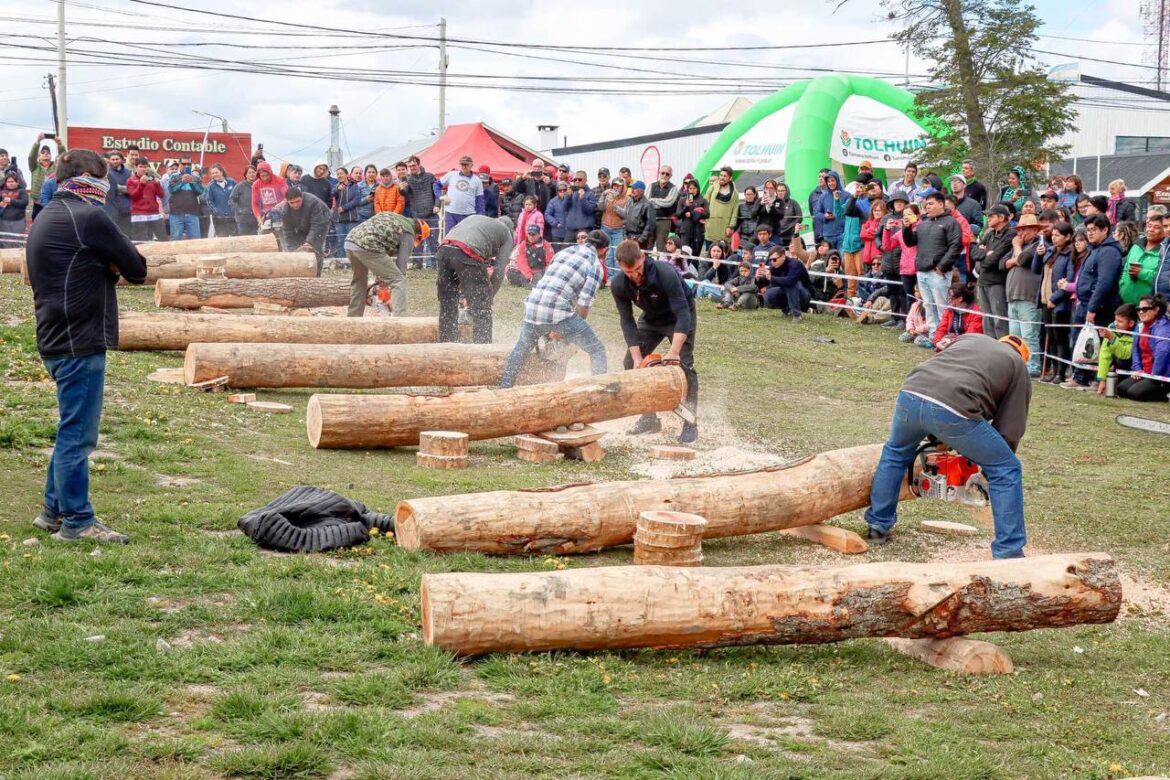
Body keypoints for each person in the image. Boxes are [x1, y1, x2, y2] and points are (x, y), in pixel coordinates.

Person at [26, 149, 149, 544]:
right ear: (91, 177)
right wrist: (110, 267)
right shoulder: (88, 215)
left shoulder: (47, 214)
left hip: (55, 336)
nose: (107, 186)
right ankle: (78, 521)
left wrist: (101, 267)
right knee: (78, 435)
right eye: (104, 178)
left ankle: (52, 511)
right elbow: (138, 268)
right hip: (79, 339)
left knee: (69, 429)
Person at [865, 334, 1033, 559]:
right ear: (1023, 357)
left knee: (895, 454)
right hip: (954, 406)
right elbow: (1010, 427)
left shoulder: (972, 338)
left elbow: (945, 373)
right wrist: (988, 467)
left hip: (911, 392)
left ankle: (877, 525)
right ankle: (1009, 550)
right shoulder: (1018, 367)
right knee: (1006, 468)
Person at [610, 239, 699, 443]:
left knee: (685, 367)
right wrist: (636, 358)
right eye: (629, 272)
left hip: (679, 315)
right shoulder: (619, 285)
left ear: (643, 258)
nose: (635, 275)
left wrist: (674, 352)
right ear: (621, 266)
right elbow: (627, 320)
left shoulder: (665, 272)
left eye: (638, 269)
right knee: (630, 364)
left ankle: (690, 424)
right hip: (651, 318)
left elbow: (683, 313)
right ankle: (649, 419)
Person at [500, 232, 611, 389]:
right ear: (605, 250)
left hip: (532, 304)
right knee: (596, 349)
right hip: (557, 310)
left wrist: (561, 330)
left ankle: (505, 387)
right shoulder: (595, 265)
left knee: (521, 349)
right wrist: (564, 330)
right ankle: (600, 391)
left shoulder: (565, 252)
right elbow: (584, 304)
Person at [435, 214, 515, 343]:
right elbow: (499, 273)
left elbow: (461, 267)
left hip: (444, 250)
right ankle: (483, 347)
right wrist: (487, 298)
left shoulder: (481, 222)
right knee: (482, 308)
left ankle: (447, 342)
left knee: (448, 302)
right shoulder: (506, 234)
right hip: (466, 251)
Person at [345, 212, 426, 318]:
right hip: (368, 245)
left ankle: (353, 319)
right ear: (418, 235)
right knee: (399, 280)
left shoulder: (395, 219)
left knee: (359, 281)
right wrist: (390, 279)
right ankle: (401, 320)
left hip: (350, 241)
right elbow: (401, 267)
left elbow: (381, 240)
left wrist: (381, 275)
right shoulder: (409, 232)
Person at [903, 191, 961, 337]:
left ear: (941, 204)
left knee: (941, 307)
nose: (927, 206)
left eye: (931, 203)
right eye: (926, 204)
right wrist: (907, 227)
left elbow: (956, 246)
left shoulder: (951, 222)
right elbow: (910, 242)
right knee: (928, 306)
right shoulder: (923, 223)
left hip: (938, 272)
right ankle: (933, 335)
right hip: (922, 271)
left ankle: (945, 336)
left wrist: (942, 266)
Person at [1004, 213, 1045, 377]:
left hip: (1029, 296)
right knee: (1015, 335)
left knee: (1029, 334)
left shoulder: (1038, 245)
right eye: (1019, 230)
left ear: (1035, 229)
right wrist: (1016, 257)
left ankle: (1033, 366)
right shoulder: (1018, 247)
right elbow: (1003, 263)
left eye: (1024, 230)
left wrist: (1016, 248)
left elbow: (1022, 259)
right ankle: (1018, 365)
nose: (1020, 234)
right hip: (1013, 296)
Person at [1037, 221, 1077, 384]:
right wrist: (1038, 255)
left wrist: (1055, 298)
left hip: (1060, 303)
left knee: (1060, 338)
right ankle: (1053, 370)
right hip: (1045, 300)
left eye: (1058, 235)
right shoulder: (1050, 251)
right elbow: (1036, 269)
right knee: (1050, 337)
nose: (1054, 238)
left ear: (1067, 237)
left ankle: (1061, 372)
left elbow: (1069, 279)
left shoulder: (1070, 255)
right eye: (1052, 235)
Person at [1116, 294, 1170, 401]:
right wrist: (1137, 369)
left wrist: (1154, 376)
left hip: (1160, 375)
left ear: (1156, 310)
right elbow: (1135, 350)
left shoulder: (1164, 328)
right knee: (1121, 389)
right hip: (1144, 371)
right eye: (1138, 309)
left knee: (1135, 394)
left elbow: (1162, 353)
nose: (1140, 312)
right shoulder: (1139, 326)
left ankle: (1164, 394)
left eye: (1144, 309)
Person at [400, 155, 441, 269]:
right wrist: (402, 188)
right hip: (417, 214)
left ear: (419, 164)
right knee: (418, 241)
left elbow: (437, 193)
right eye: (410, 166)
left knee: (433, 241)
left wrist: (437, 205)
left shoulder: (430, 176)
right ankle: (417, 264)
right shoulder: (407, 179)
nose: (412, 167)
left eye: (414, 165)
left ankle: (434, 264)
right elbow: (405, 193)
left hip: (431, 214)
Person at [281, 187, 331, 272]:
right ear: (287, 201)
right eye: (292, 203)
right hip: (302, 223)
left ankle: (317, 274)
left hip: (322, 219)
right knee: (299, 246)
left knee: (315, 247)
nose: (295, 205)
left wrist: (309, 242)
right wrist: (292, 249)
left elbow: (316, 225)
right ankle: (301, 272)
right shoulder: (285, 210)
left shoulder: (312, 202)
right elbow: (287, 231)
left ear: (302, 198)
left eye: (298, 201)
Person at [1121, 214, 1164, 305]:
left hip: (1150, 306)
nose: (1150, 230)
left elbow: (1164, 279)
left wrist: (1141, 273)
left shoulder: (1165, 252)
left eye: (1156, 227)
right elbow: (1125, 269)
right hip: (1126, 303)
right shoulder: (1136, 246)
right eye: (1149, 226)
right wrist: (1122, 285)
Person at [759, 245, 812, 319]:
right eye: (770, 260)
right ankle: (787, 310)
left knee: (791, 285)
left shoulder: (795, 264)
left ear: (783, 257)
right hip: (788, 292)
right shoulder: (775, 266)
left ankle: (796, 314)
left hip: (804, 293)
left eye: (774, 259)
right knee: (768, 294)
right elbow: (763, 283)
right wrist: (758, 278)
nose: (772, 262)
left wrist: (771, 278)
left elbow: (790, 281)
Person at [1094, 303, 1136, 394]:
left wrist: (1112, 339)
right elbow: (1105, 355)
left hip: (1132, 369)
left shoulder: (1137, 334)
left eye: (1120, 321)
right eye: (1115, 320)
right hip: (1118, 368)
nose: (1116, 324)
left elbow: (1125, 354)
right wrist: (1102, 379)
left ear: (1131, 323)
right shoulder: (1111, 328)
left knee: (1123, 390)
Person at [440, 154, 485, 233]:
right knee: (449, 238)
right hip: (451, 213)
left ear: (471, 165)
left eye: (466, 164)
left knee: (466, 239)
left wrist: (480, 217)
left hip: (469, 215)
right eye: (462, 164)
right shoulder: (452, 175)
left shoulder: (477, 180)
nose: (464, 166)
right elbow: (436, 184)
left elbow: (480, 200)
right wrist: (441, 196)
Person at [126, 159, 167, 243]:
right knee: (140, 243)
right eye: (140, 166)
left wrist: (158, 184)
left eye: (145, 167)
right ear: (136, 168)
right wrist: (141, 184)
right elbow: (133, 196)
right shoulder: (130, 180)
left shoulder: (152, 180)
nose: (143, 169)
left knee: (162, 240)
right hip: (139, 216)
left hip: (154, 214)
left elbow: (161, 195)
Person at [28, 133, 65, 220]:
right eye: (43, 152)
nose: (46, 154)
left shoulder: (56, 166)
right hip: (37, 204)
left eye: (48, 153)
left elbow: (64, 158)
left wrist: (59, 144)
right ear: (39, 156)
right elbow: (31, 157)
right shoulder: (34, 167)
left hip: (52, 203)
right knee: (36, 226)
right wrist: (38, 141)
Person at [167, 162, 203, 240]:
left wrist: (192, 183)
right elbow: (171, 190)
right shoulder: (174, 176)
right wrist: (182, 182)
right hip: (176, 213)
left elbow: (200, 191)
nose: (186, 166)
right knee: (175, 240)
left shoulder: (196, 177)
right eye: (183, 164)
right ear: (179, 165)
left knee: (195, 240)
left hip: (192, 213)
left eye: (189, 164)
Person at [704, 167, 738, 247]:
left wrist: (731, 226)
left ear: (730, 178)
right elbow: (705, 203)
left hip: (724, 231)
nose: (722, 178)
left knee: (723, 255)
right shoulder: (712, 188)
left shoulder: (735, 194)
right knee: (709, 254)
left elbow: (735, 211)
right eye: (721, 175)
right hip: (710, 228)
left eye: (725, 176)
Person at [617, 180, 654, 251]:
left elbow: (650, 225)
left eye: (635, 189)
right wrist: (624, 235)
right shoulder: (630, 201)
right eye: (632, 188)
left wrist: (640, 240)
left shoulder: (648, 204)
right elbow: (625, 218)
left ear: (642, 191)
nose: (632, 190)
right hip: (628, 238)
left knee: (639, 261)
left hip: (640, 240)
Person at [674, 178, 708, 255]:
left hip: (698, 232)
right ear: (688, 189)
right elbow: (678, 215)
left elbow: (707, 214)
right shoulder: (682, 200)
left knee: (695, 256)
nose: (692, 190)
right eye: (690, 188)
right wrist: (686, 206)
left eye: (694, 188)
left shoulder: (703, 200)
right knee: (684, 255)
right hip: (685, 232)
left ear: (698, 189)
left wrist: (692, 214)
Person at [649, 165, 679, 252]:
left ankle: (660, 265)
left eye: (667, 174)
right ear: (659, 173)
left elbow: (669, 202)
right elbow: (647, 201)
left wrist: (654, 200)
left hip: (664, 220)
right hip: (651, 219)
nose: (665, 175)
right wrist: (660, 203)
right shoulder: (651, 185)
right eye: (663, 173)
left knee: (661, 247)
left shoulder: (673, 188)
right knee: (648, 245)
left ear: (670, 176)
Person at [203, 164, 237, 238]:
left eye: (216, 172)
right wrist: (216, 211)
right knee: (222, 238)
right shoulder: (210, 186)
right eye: (213, 173)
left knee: (235, 239)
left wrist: (235, 209)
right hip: (219, 219)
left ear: (221, 172)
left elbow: (238, 196)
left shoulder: (232, 182)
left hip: (233, 217)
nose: (215, 175)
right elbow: (209, 201)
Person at [104, 151, 133, 237]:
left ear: (121, 160)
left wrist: (119, 188)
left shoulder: (128, 173)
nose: (115, 161)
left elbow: (133, 189)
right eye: (113, 159)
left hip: (126, 209)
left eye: (117, 159)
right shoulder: (107, 173)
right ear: (110, 161)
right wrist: (120, 188)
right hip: (112, 209)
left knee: (127, 235)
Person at [250, 161, 287, 227]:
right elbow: (255, 203)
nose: (265, 178)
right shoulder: (256, 184)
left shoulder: (280, 180)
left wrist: (280, 205)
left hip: (281, 213)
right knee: (262, 235)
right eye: (262, 176)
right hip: (266, 215)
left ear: (271, 173)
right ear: (258, 175)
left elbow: (288, 197)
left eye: (267, 175)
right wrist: (258, 218)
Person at [564, 170, 596, 241]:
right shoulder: (571, 192)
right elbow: (565, 208)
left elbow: (589, 211)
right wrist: (568, 197)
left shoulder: (590, 194)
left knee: (583, 251)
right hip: (571, 230)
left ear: (585, 181)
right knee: (566, 251)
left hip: (584, 231)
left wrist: (583, 199)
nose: (577, 181)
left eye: (580, 179)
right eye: (575, 179)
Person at [818, 170, 846, 249]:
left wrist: (838, 215)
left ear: (837, 180)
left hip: (843, 233)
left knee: (842, 259)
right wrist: (825, 216)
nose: (830, 183)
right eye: (828, 181)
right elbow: (817, 213)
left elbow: (848, 212)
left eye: (833, 181)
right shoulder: (823, 197)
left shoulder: (846, 195)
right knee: (830, 258)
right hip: (828, 235)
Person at [0, 173, 29, 248]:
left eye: (12, 181)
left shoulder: (22, 191)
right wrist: (1, 203)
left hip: (18, 220)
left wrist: (11, 201)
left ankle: (16, 257)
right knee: (4, 241)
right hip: (4, 220)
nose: (10, 183)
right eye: (8, 182)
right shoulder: (2, 192)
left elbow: (24, 202)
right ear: (5, 183)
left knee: (17, 240)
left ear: (17, 182)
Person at [229, 165, 259, 237]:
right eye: (249, 173)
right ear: (245, 175)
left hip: (257, 219)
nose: (252, 174)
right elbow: (231, 200)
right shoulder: (240, 186)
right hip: (243, 220)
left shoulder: (259, 185)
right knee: (244, 240)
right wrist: (240, 210)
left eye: (253, 172)